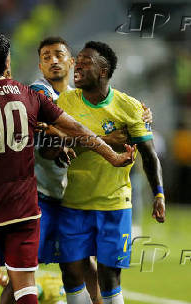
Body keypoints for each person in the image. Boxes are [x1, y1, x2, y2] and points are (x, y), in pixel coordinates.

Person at [0, 32, 134, 304]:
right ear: (7, 63)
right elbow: (77, 129)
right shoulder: (30, 93)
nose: (53, 61)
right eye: (46, 57)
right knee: (25, 281)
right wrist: (112, 155)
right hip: (29, 205)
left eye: (59, 55)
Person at [56, 41, 165, 304]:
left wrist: (159, 194)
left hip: (114, 205)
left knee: (109, 275)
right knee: (71, 272)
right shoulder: (65, 102)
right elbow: (54, 145)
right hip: (74, 203)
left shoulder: (128, 106)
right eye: (77, 59)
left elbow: (149, 154)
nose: (77, 64)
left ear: (103, 71)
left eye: (86, 61)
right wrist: (103, 140)